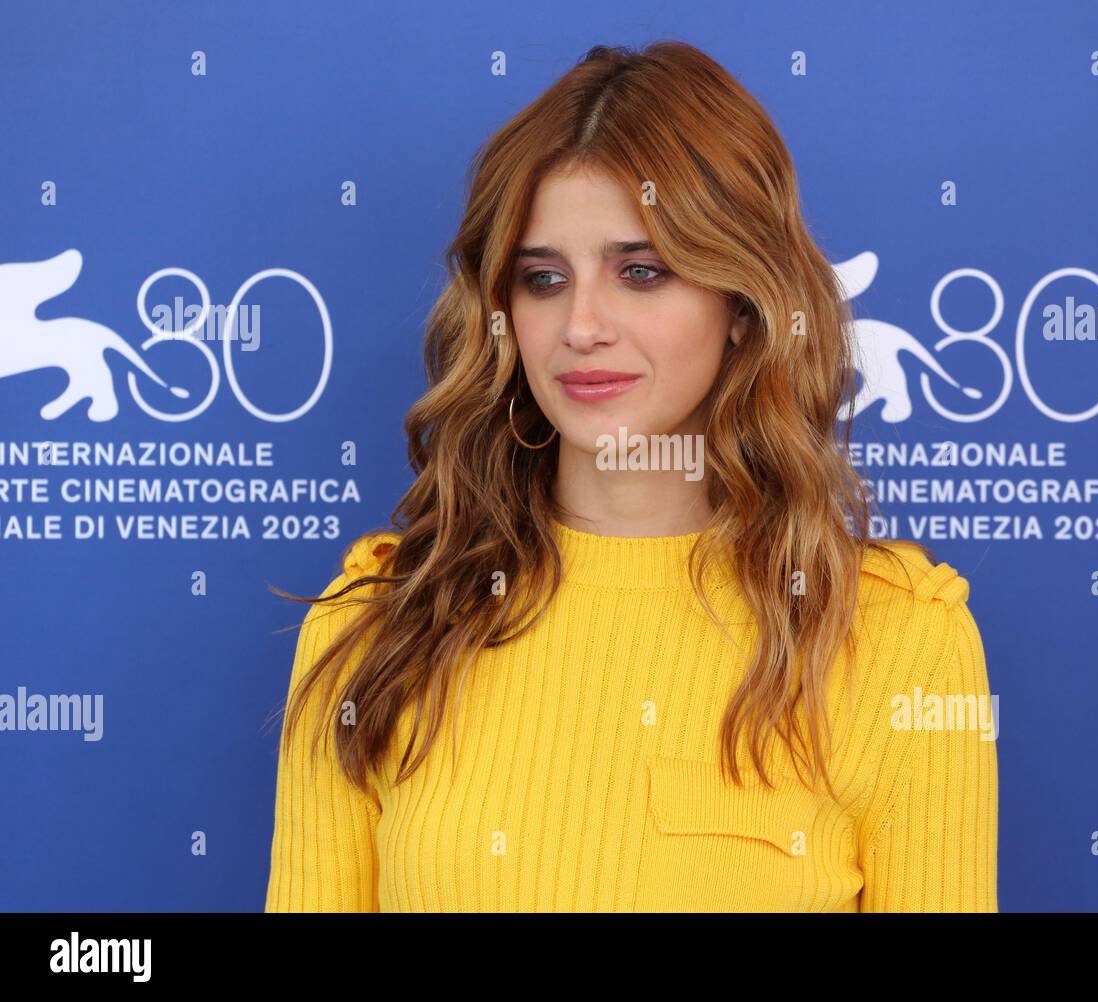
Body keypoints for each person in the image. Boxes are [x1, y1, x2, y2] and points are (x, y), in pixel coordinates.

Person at [263, 40, 996, 912]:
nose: (581, 326)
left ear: (743, 305)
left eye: (640, 272)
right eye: (543, 279)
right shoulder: (381, 623)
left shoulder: (899, 641)